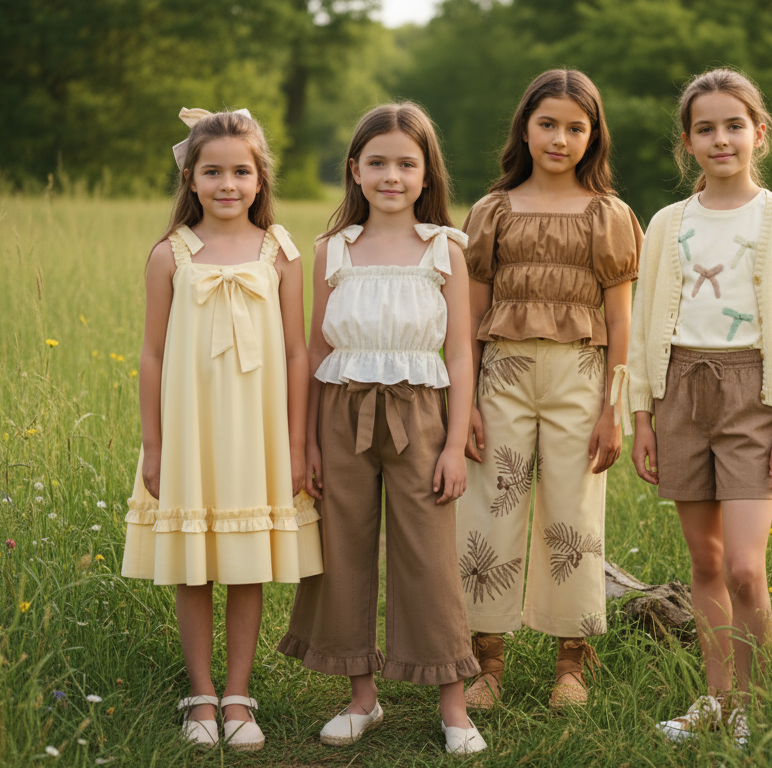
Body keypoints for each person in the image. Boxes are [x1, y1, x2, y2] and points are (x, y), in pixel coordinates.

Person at [623, 69, 772, 746]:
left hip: (757, 396)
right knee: (707, 564)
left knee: (747, 567)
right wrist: (641, 418)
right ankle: (715, 699)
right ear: (687, 143)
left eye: (734, 125)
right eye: (706, 128)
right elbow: (641, 323)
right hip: (680, 392)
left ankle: (751, 704)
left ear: (759, 134)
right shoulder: (666, 224)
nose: (721, 139)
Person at [277, 102, 486, 755]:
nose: (391, 175)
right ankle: (361, 697)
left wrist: (454, 444)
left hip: (420, 412)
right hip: (341, 411)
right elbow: (313, 351)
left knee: (427, 556)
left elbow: (459, 354)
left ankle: (453, 706)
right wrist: (305, 441)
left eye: (405, 163)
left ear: (427, 175)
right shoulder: (331, 250)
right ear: (355, 171)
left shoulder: (447, 249)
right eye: (377, 163)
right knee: (342, 549)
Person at [122, 108, 323, 751]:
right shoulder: (170, 255)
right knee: (193, 564)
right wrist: (153, 445)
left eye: (241, 171)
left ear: (260, 179)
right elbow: (151, 354)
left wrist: (296, 442)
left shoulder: (280, 250)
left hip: (259, 431)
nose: (228, 184)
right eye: (213, 172)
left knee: (243, 564)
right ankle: (201, 695)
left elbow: (298, 351)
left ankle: (239, 695)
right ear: (191, 177)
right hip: (190, 430)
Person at [458, 69, 642, 710]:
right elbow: (470, 319)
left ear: (593, 137)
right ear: (525, 128)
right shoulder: (491, 211)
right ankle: (486, 662)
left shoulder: (609, 216)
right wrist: (466, 408)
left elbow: (621, 322)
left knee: (574, 517)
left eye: (575, 127)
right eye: (548, 124)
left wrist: (613, 413)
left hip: (581, 379)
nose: (559, 138)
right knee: (490, 510)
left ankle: (572, 664)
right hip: (501, 377)